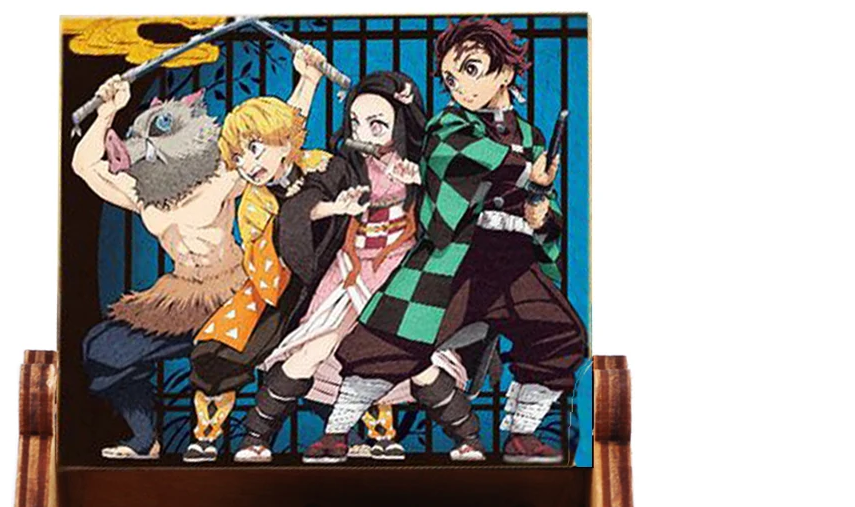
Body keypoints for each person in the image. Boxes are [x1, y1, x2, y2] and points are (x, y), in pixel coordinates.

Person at [332, 17, 588, 463]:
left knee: (559, 336)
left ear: (505, 72)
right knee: (390, 340)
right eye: (450, 78)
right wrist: (527, 172)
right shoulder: (448, 125)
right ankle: (336, 431)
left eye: (470, 69)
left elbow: (545, 206)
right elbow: (463, 157)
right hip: (460, 258)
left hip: (514, 261)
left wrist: (541, 214)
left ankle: (521, 434)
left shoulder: (532, 135)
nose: (459, 87)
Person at [74, 44, 324, 460]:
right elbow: (84, 166)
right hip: (177, 299)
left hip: (233, 293)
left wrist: (309, 80)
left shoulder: (221, 174)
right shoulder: (140, 190)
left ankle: (237, 435)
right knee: (102, 349)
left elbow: (275, 134)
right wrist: (106, 113)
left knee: (232, 363)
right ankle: (144, 439)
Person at [232, 71, 464, 464]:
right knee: (315, 348)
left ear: (401, 121)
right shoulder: (344, 166)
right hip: (352, 269)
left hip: (401, 271)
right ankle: (256, 437)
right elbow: (305, 202)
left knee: (416, 360)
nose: (364, 133)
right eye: (356, 122)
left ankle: (467, 437)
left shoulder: (426, 162)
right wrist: (334, 207)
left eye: (377, 124)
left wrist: (425, 183)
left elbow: (455, 213)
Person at [183, 87, 346, 461]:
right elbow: (260, 263)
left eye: (254, 149)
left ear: (284, 140)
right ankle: (208, 434)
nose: (247, 164)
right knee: (219, 351)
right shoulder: (253, 202)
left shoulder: (322, 163)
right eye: (238, 158)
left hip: (338, 275)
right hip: (281, 290)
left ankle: (372, 431)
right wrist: (288, 224)